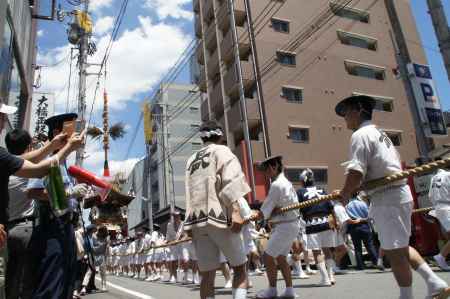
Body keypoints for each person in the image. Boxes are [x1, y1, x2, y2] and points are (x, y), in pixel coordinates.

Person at [333, 95, 449, 299]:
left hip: (387, 197)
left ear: (359, 110)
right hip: (396, 193)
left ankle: (409, 295)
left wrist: (344, 194)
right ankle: (434, 282)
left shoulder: (361, 134)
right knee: (400, 247)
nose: (344, 118)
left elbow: (356, 172)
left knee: (395, 253)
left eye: (346, 112)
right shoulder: (380, 133)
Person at [184, 120, 249, 299]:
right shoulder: (221, 150)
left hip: (197, 220)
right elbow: (232, 180)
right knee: (240, 268)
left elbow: (191, 192)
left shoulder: (191, 160)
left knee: (207, 275)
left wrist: (188, 227)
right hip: (219, 216)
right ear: (220, 135)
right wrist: (236, 211)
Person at [27, 113, 89, 299]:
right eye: (71, 128)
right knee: (51, 284)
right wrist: (68, 193)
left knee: (66, 283)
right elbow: (33, 192)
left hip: (66, 226)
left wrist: (76, 196)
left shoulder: (63, 162)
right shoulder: (49, 159)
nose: (76, 133)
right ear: (57, 133)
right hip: (52, 227)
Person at [253, 155, 300, 299]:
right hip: (291, 224)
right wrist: (269, 212)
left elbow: (265, 211)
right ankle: (289, 290)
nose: (265, 174)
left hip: (285, 226)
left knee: (267, 256)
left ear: (274, 167)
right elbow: (273, 208)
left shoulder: (277, 184)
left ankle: (272, 290)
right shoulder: (286, 182)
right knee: (280, 257)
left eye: (266, 170)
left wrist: (257, 214)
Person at [297, 169, 335, 286]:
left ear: (303, 181)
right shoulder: (322, 189)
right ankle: (331, 276)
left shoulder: (300, 192)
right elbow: (331, 207)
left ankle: (325, 279)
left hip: (312, 223)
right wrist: (335, 222)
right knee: (327, 250)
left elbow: (297, 210)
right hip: (326, 222)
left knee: (317, 252)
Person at [345, 192, 378, 270]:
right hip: (364, 225)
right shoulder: (362, 204)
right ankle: (376, 262)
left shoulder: (347, 206)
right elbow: (368, 215)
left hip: (353, 227)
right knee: (370, 245)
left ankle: (360, 265)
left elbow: (347, 218)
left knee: (357, 247)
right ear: (357, 195)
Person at [428, 167, 450, 271]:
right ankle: (440, 257)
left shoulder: (434, 178)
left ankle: (442, 257)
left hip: (438, 207)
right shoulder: (448, 175)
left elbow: (430, 196)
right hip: (447, 206)